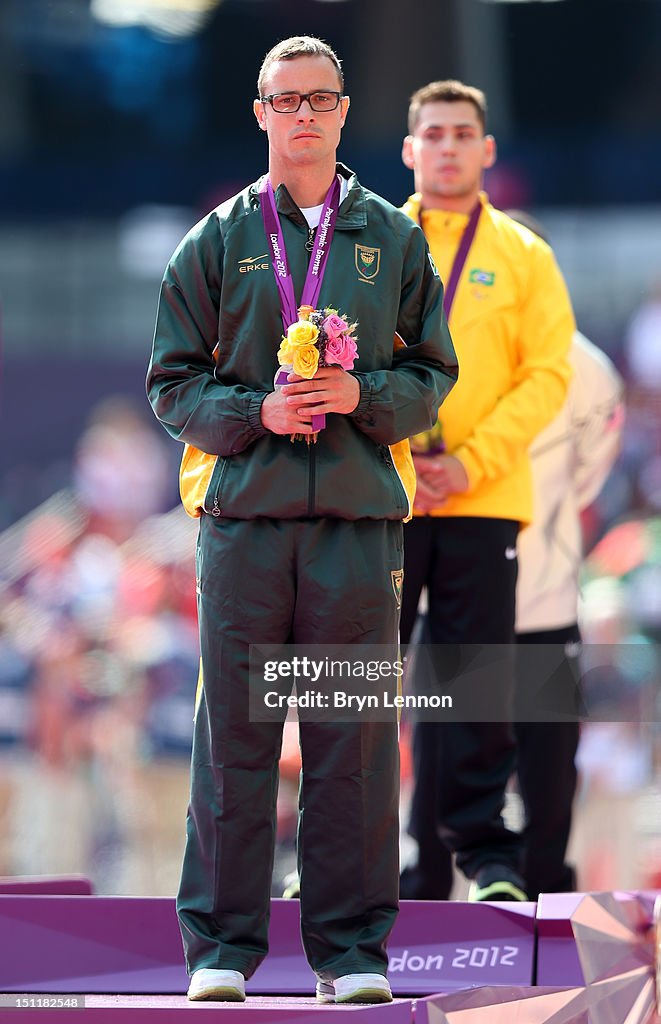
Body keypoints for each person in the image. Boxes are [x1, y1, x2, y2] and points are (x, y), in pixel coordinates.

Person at [146, 37, 457, 1004]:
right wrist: (257, 413)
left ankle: (351, 955)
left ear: (344, 109)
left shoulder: (394, 239)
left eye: (321, 100)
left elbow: (433, 377)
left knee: (352, 739)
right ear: (261, 114)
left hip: (357, 527)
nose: (306, 116)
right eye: (288, 101)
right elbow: (170, 383)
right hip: (244, 523)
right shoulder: (216, 239)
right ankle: (220, 953)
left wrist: (360, 391)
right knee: (235, 735)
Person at [397, 80, 574, 903]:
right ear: (409, 150)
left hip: (482, 496)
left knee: (476, 683)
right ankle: (340, 851)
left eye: (461, 134)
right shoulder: (372, 241)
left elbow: (548, 375)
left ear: (486, 151)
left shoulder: (524, 255)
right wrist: (404, 457)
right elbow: (344, 362)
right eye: (431, 134)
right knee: (357, 678)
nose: (446, 147)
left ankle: (485, 857)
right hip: (386, 495)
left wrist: (467, 463)